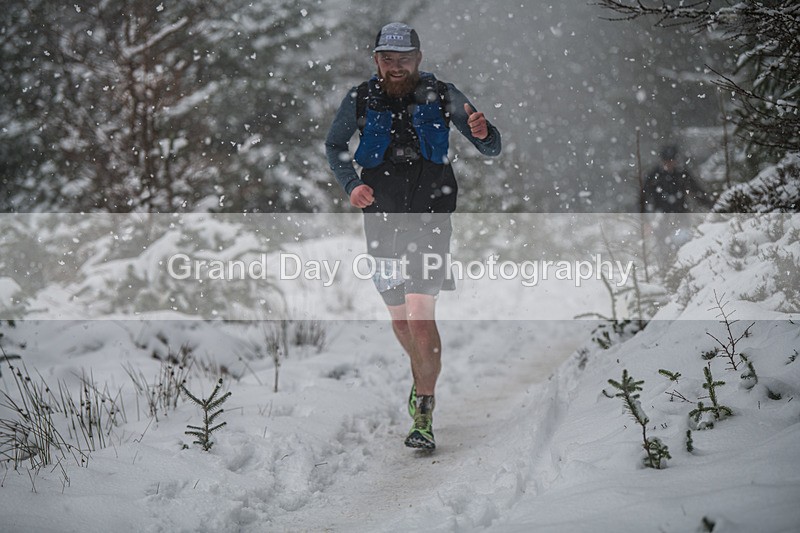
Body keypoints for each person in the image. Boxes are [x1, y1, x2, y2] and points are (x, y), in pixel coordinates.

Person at [325, 22, 501, 450]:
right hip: (380, 216)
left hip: (431, 216)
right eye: (388, 59)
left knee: (421, 316)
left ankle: (424, 407)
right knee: (400, 316)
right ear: (377, 61)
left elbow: (491, 146)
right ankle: (422, 373)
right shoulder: (360, 98)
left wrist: (484, 132)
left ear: (418, 59)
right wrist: (352, 185)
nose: (396, 66)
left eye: (403, 59)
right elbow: (334, 147)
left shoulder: (443, 95)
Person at [643, 144, 712, 268]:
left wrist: (712, 205)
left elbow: (697, 192)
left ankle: (681, 268)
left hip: (681, 215)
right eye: (666, 161)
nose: (669, 164)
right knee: (663, 247)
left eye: (671, 161)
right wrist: (645, 220)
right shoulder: (654, 175)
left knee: (682, 245)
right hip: (662, 217)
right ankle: (665, 269)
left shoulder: (681, 173)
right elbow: (644, 198)